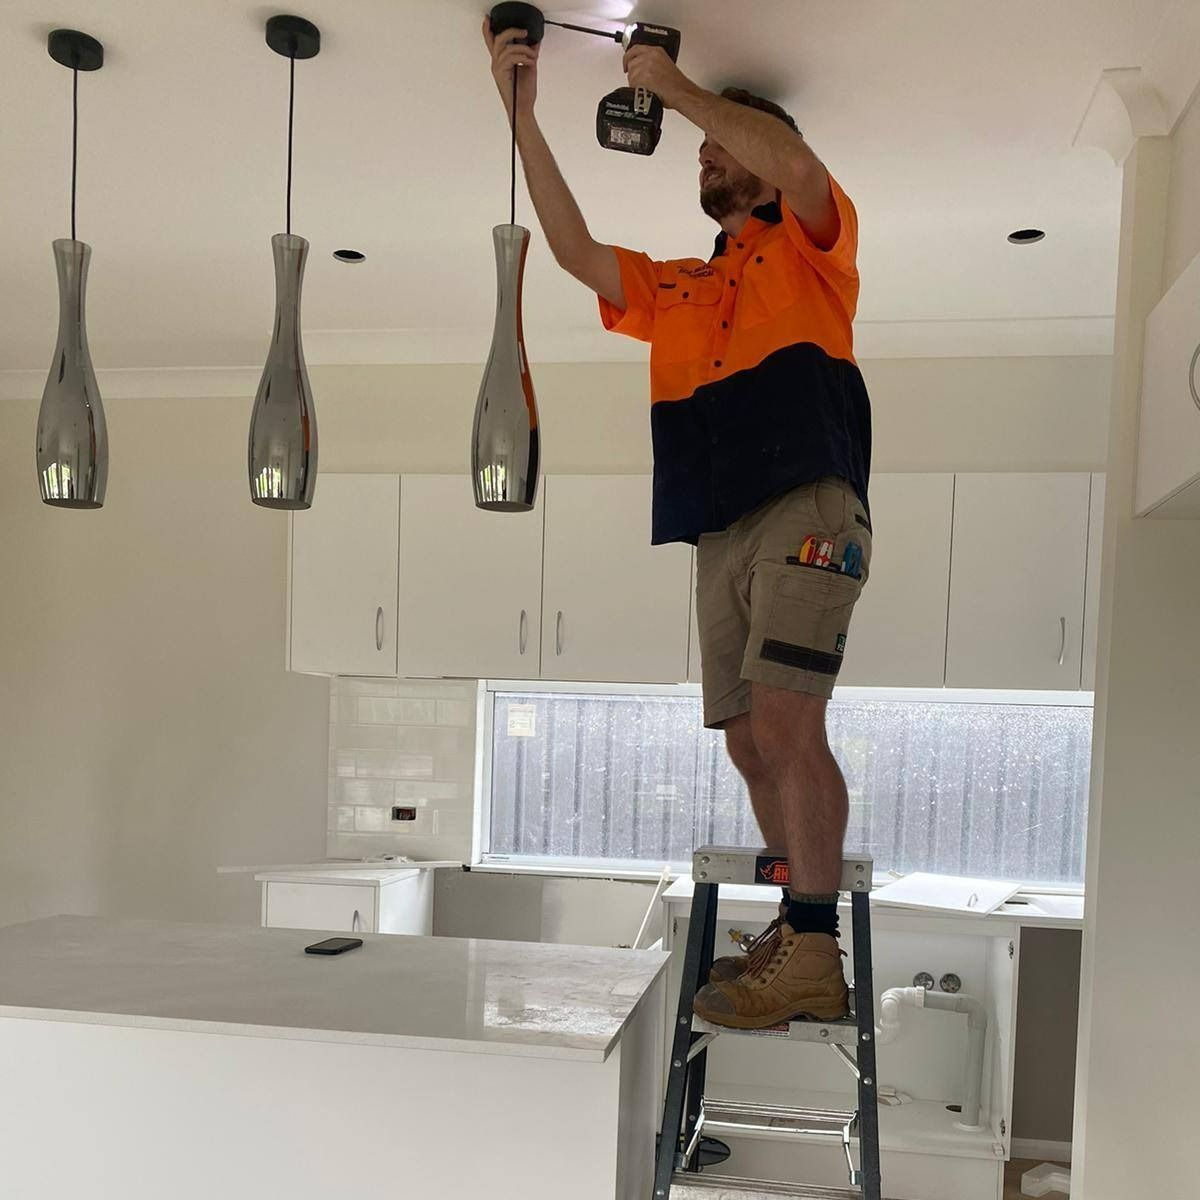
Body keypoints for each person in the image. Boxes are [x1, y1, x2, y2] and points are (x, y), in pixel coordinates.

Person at [484, 20, 873, 1030]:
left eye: (717, 147)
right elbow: (572, 250)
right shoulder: (684, 288)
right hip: (717, 529)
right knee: (748, 743)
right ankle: (797, 924)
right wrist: (521, 116)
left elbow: (797, 162)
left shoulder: (813, 249)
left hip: (805, 505)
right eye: (700, 150)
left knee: (789, 725)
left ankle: (816, 953)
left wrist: (676, 84)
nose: (702, 156)